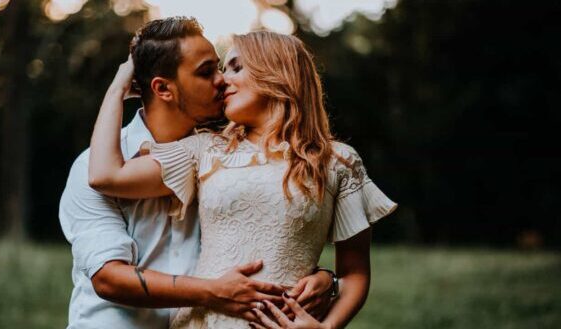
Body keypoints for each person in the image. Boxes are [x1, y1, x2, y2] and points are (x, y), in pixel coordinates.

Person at [88, 30, 397, 329]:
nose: (223, 80)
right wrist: (117, 88)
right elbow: (106, 176)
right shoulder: (205, 149)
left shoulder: (338, 161)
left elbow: (354, 272)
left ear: (276, 71)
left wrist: (326, 326)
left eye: (235, 67)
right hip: (202, 321)